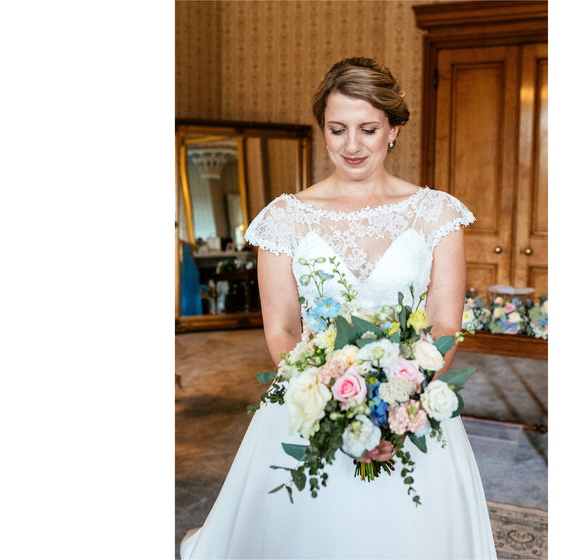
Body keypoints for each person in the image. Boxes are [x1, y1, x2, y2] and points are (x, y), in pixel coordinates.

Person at [180, 57, 497, 559]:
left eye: (368, 129)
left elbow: (444, 325)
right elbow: (283, 329)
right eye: (337, 129)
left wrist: (400, 411)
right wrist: (331, 402)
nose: (352, 145)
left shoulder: (437, 213)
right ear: (322, 131)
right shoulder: (284, 218)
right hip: (311, 402)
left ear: (393, 129)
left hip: (411, 400)